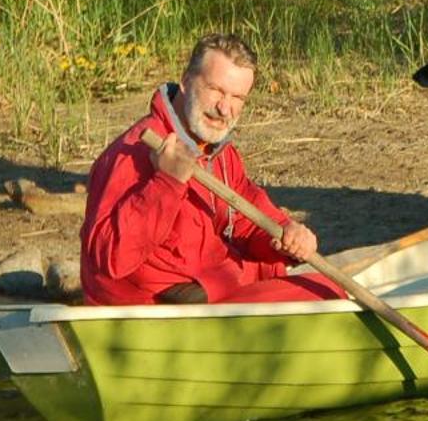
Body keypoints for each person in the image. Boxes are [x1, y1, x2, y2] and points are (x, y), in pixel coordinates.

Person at [80, 33, 342, 305]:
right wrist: (166, 183)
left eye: (237, 97)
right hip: (156, 309)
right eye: (215, 90)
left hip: (209, 286)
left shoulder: (217, 151)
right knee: (322, 294)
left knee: (314, 284)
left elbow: (244, 216)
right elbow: (110, 259)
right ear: (185, 81)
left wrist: (286, 233)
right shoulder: (135, 152)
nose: (225, 108)